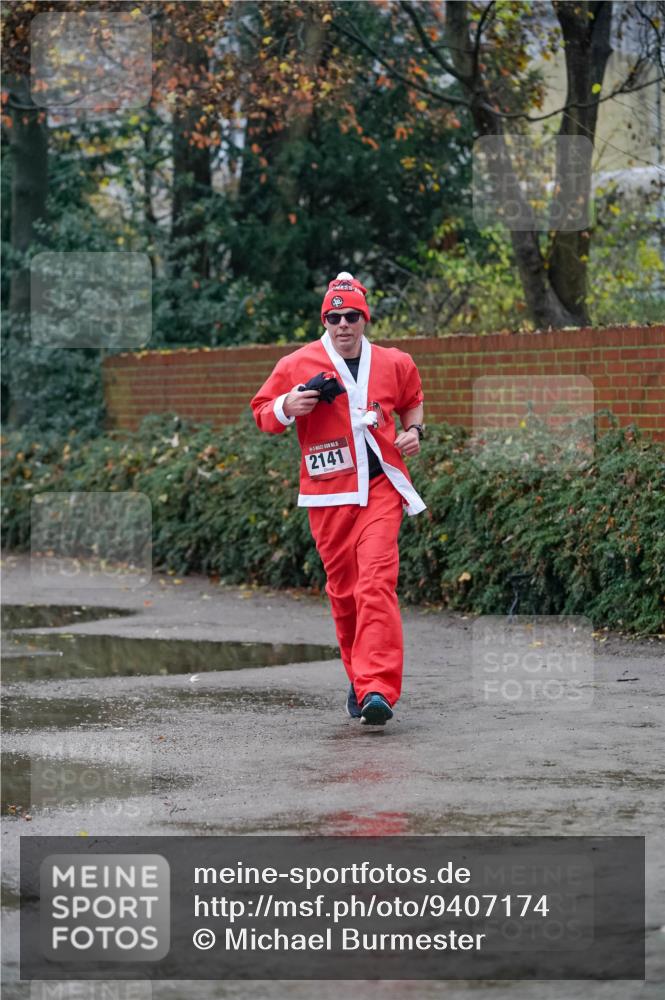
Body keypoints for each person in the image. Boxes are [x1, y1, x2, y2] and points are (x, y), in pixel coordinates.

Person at [250, 272, 426, 726]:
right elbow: (262, 413)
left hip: (381, 489)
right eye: (334, 317)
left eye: (351, 316)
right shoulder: (296, 363)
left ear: (365, 319)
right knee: (345, 595)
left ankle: (377, 688)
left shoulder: (395, 362)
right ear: (324, 321)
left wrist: (414, 431)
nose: (343, 324)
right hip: (328, 496)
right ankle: (360, 676)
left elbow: (413, 400)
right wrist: (288, 406)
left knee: (376, 583)